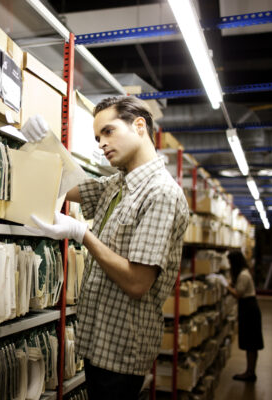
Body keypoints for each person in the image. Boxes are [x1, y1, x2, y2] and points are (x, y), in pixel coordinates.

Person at [22, 96, 189, 399]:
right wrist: (44, 145)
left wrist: (81, 234)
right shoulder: (118, 183)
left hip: (123, 350)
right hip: (98, 342)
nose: (101, 143)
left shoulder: (161, 194)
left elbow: (137, 283)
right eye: (98, 137)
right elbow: (71, 186)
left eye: (109, 132)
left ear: (139, 126)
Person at [225, 251, 264, 382]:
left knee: (251, 342)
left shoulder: (243, 275)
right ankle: (249, 371)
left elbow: (238, 294)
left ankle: (250, 372)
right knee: (250, 342)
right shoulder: (244, 273)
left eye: (230, 262)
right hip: (248, 308)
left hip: (249, 309)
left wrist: (225, 286)